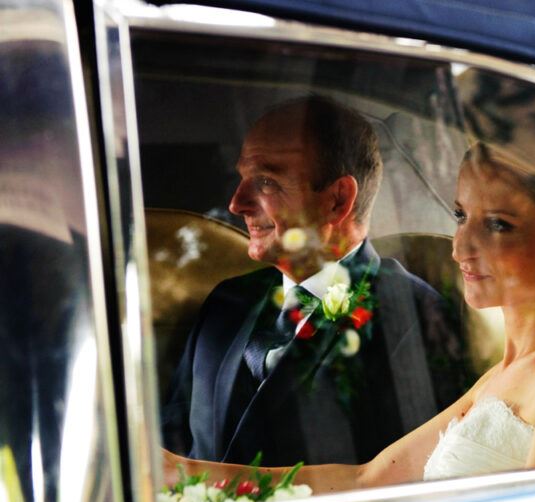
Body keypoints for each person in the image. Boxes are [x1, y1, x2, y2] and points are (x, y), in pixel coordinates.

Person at [163, 142, 535, 490]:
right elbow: (367, 480)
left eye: (498, 226)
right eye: (461, 216)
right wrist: (182, 473)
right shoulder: (500, 376)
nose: (461, 247)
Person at [160, 96, 473, 467]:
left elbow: (411, 478)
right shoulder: (227, 301)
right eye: (243, 178)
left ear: (337, 201)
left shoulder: (413, 318)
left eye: (265, 182)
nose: (236, 203)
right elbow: (173, 437)